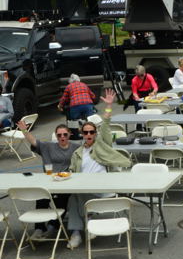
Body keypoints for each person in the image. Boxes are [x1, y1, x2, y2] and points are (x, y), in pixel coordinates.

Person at [65, 89, 132, 248]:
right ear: (82, 134)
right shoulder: (77, 153)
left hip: (103, 187)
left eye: (91, 132)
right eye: (86, 132)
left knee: (76, 197)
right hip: (84, 187)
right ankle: (79, 231)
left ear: (95, 134)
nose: (89, 135)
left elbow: (106, 125)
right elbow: (72, 171)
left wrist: (108, 106)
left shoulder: (102, 145)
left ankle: (83, 228)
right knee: (73, 197)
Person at [17, 120, 79, 238]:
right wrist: (24, 130)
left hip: (65, 182)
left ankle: (52, 226)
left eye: (65, 134)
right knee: (41, 198)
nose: (62, 137)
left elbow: (90, 146)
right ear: (56, 136)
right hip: (48, 181)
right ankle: (39, 228)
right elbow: (33, 141)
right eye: (59, 135)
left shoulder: (76, 147)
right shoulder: (48, 146)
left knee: (62, 200)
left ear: (69, 134)